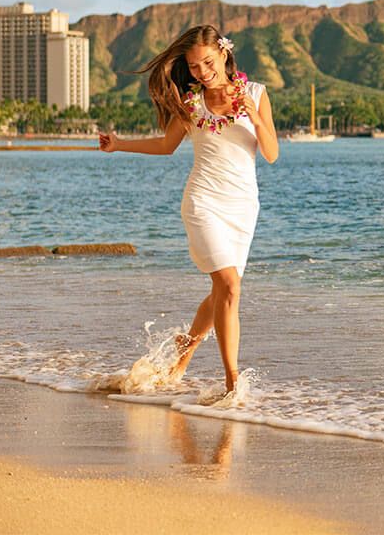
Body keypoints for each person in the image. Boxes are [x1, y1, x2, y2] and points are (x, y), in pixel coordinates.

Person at [99, 24, 278, 394]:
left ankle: (186, 347)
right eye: (194, 66)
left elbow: (272, 155)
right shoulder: (191, 102)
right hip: (203, 201)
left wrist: (255, 117)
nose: (202, 72)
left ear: (224, 54)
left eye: (207, 62)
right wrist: (119, 145)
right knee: (228, 286)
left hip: (243, 206)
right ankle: (232, 383)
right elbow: (166, 146)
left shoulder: (257, 94)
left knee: (222, 292)